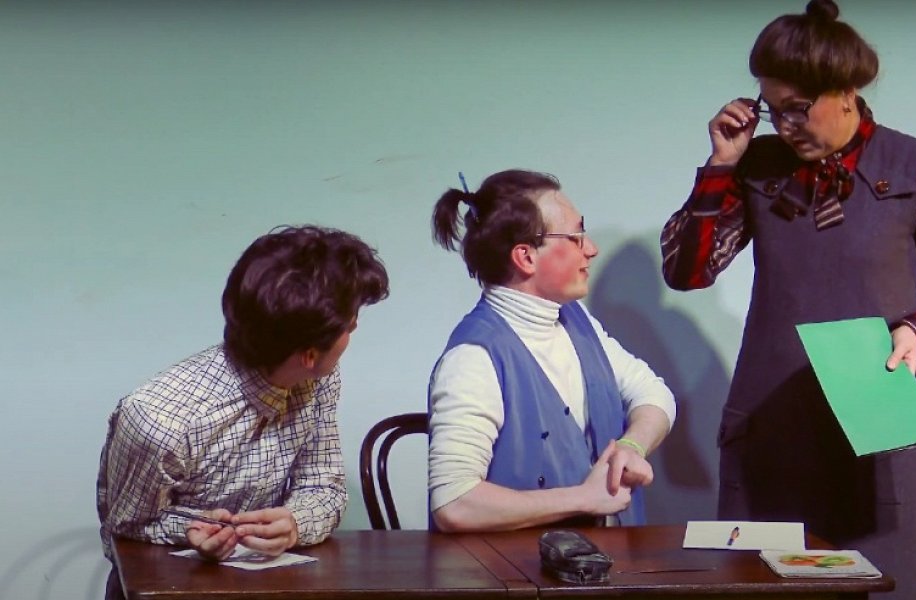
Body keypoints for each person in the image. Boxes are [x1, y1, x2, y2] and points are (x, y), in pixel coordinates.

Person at [659, 2, 916, 599]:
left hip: (878, 429)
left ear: (845, 92)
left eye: (797, 108)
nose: (785, 126)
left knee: (886, 588)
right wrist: (721, 164)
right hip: (772, 431)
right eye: (772, 109)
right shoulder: (758, 166)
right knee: (761, 589)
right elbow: (688, 272)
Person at [97, 225, 389, 599]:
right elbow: (125, 529)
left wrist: (295, 523)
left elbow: (323, 486)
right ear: (308, 354)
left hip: (265, 587)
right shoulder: (159, 419)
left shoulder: (319, 379)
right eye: (349, 323)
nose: (356, 326)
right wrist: (190, 530)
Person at [428, 169, 676, 531]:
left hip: (603, 559)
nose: (591, 248)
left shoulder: (577, 319)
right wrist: (583, 498)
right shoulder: (473, 358)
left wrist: (632, 446)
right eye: (576, 236)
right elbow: (454, 503)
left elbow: (654, 393)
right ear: (526, 257)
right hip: (521, 566)